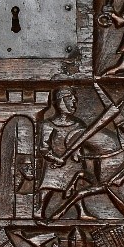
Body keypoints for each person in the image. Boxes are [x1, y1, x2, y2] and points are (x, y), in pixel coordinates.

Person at [38, 88, 90, 220]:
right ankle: (39, 210)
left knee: (77, 185)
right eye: (69, 99)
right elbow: (43, 148)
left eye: (75, 100)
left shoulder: (79, 124)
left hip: (73, 162)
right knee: (48, 186)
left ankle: (82, 211)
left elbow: (83, 144)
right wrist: (55, 158)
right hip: (54, 163)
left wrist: (78, 154)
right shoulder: (48, 125)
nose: (73, 102)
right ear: (59, 102)